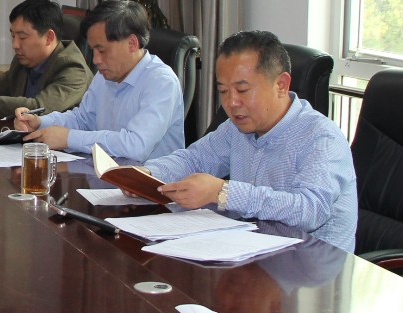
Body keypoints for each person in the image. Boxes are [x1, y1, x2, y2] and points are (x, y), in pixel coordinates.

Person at [143, 30, 356, 250]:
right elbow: (194, 160)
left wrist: (223, 192)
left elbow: (310, 211)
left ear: (281, 84)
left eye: (242, 90)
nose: (231, 103)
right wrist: (146, 174)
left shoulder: (321, 138)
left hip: (311, 264)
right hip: (251, 251)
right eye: (223, 91)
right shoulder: (236, 128)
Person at [15, 0, 184, 162]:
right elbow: (82, 119)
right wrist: (40, 122)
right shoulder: (105, 75)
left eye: (102, 50)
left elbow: (136, 145)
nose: (95, 60)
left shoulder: (161, 82)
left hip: (150, 179)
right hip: (104, 175)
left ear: (132, 43)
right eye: (93, 50)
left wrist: (69, 138)